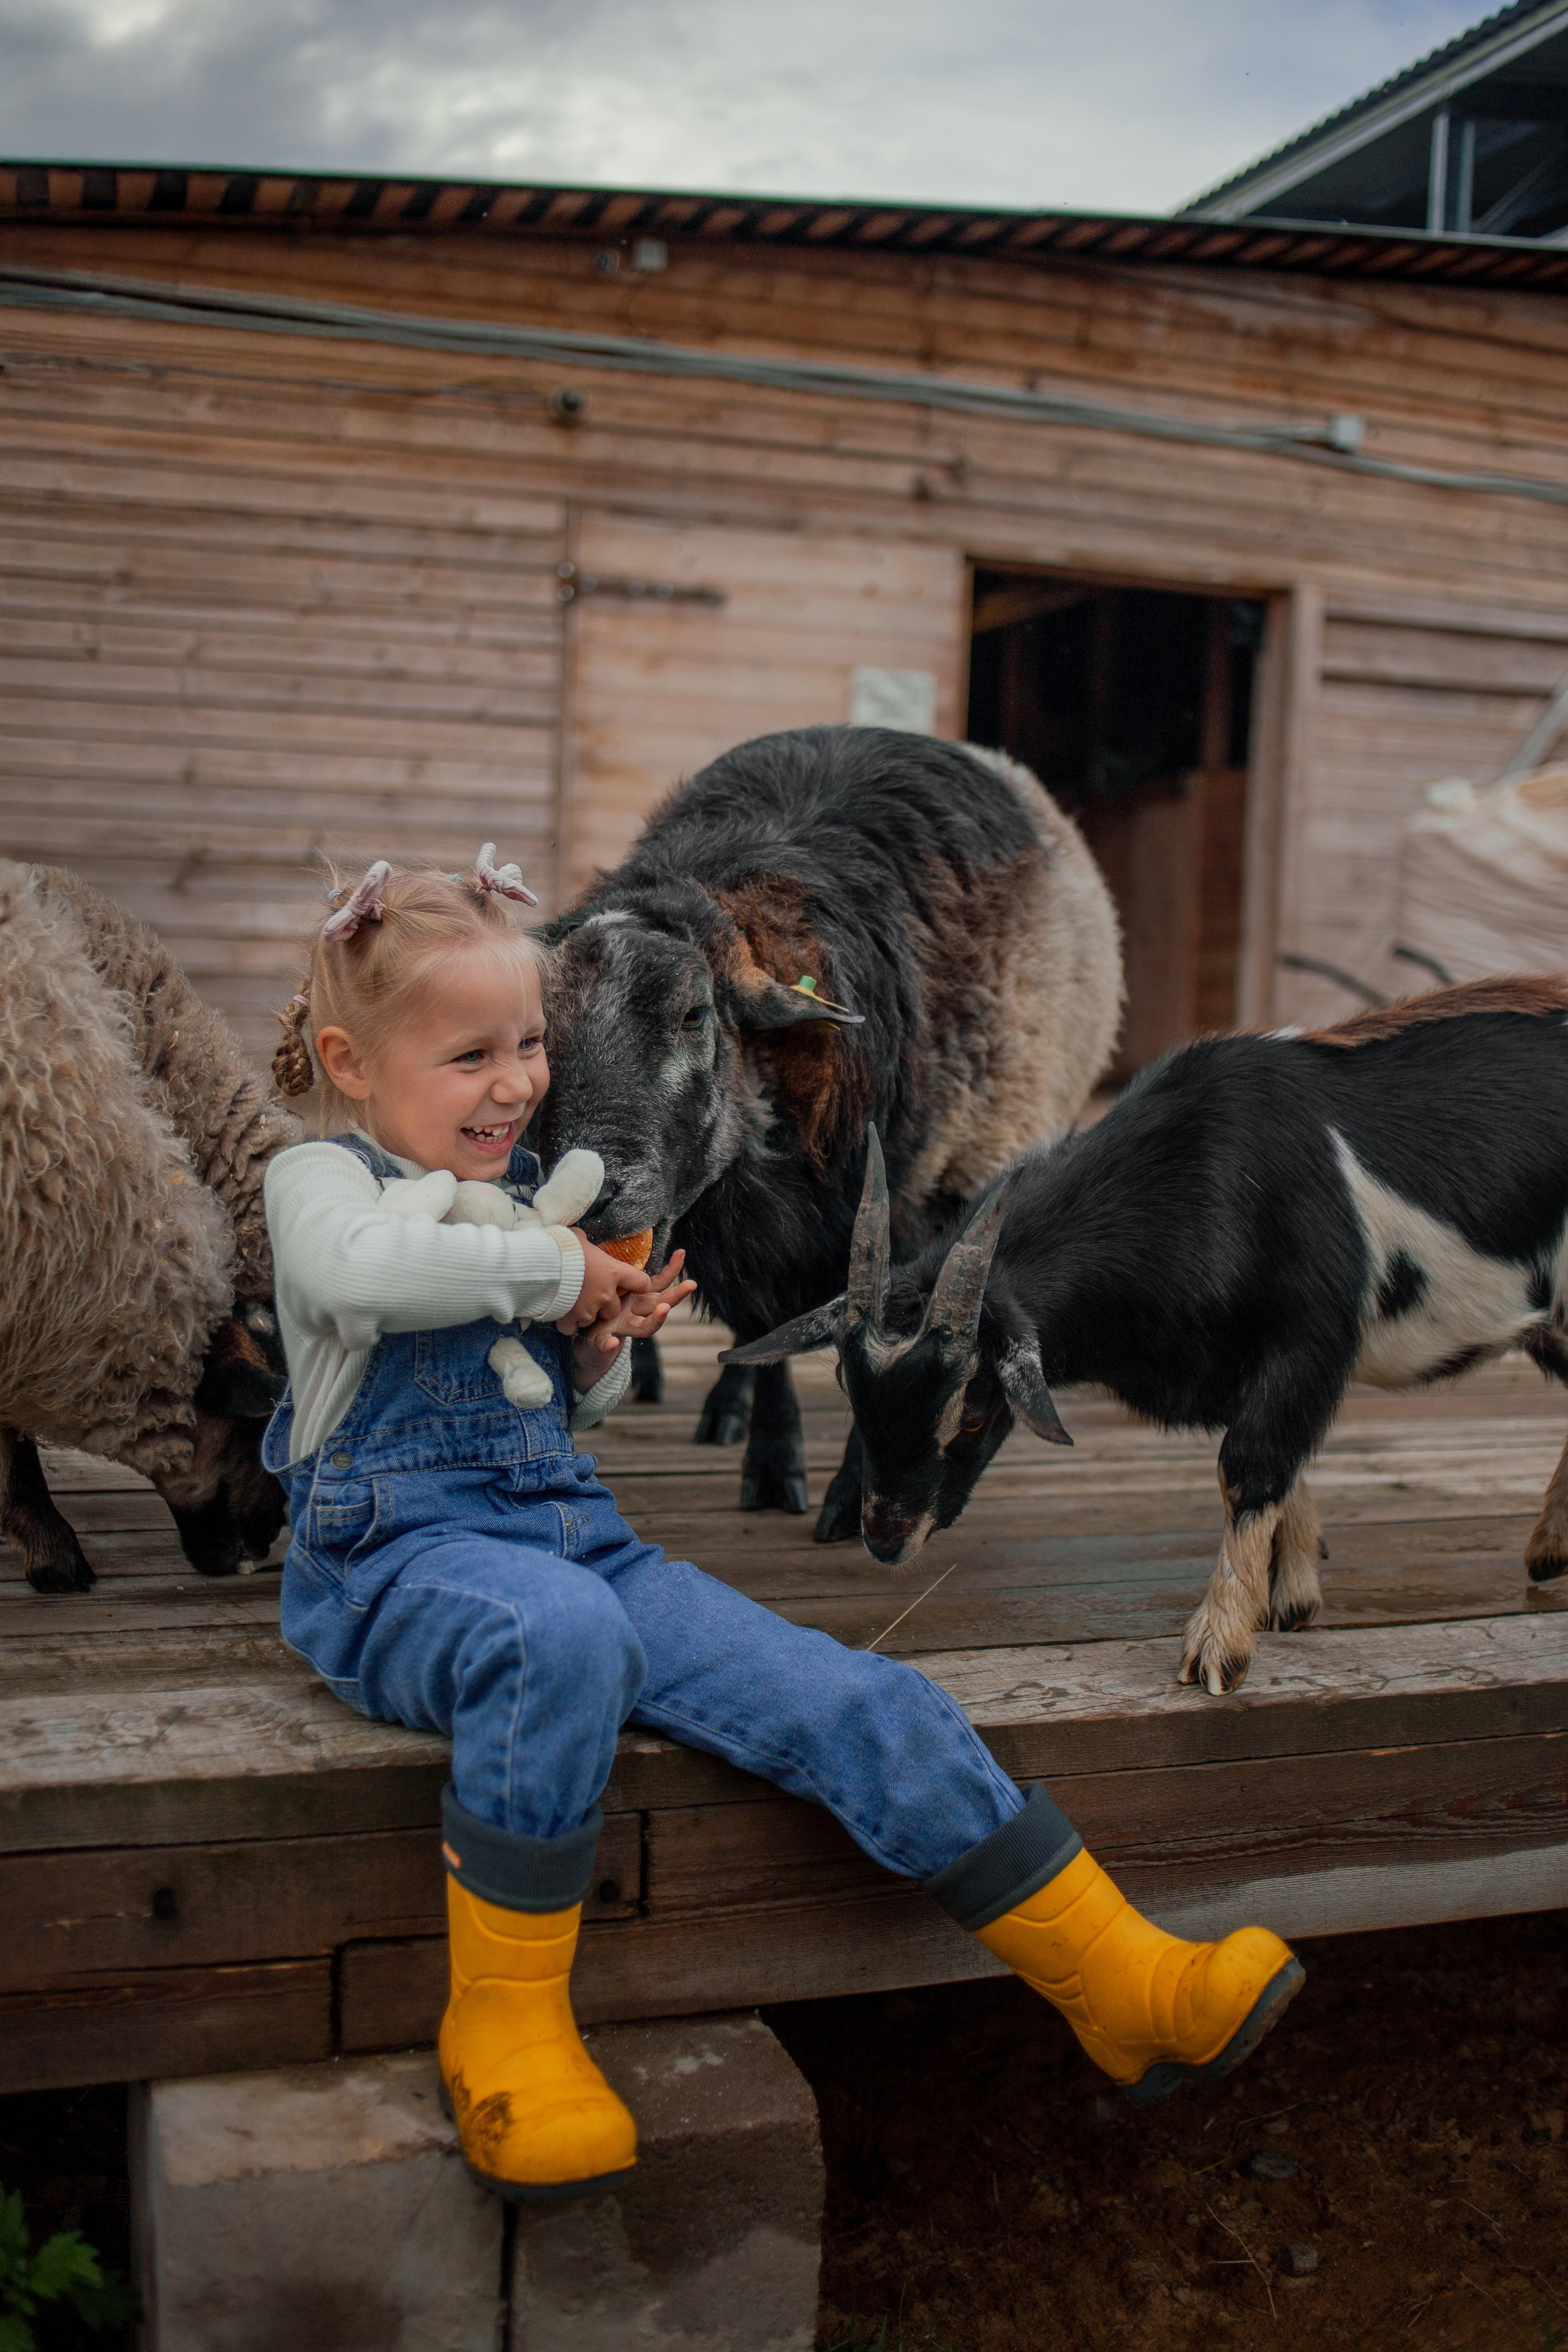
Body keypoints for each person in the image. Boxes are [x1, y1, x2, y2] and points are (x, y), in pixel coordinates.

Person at [263, 850, 1305, 2205]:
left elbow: (523, 1409)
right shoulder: (322, 1188)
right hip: (388, 1566)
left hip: (566, 1533)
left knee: (861, 1693)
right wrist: (553, 1266)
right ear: (351, 1062)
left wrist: (589, 1348)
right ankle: (506, 2022)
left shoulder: (523, 1198)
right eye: (470, 1056)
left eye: (531, 1044)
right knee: (557, 1638)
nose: (519, 1083)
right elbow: (366, 1278)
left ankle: (1116, 1978)